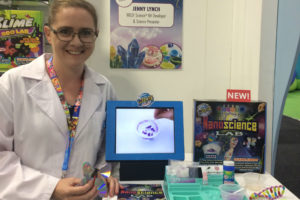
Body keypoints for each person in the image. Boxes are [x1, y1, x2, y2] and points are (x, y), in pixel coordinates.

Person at [0, 0, 121, 199]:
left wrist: (103, 177)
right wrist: (51, 188)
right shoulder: (12, 84)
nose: (76, 42)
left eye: (86, 32)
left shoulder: (104, 88)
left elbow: (106, 154)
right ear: (48, 33)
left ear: (95, 35)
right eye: (65, 31)